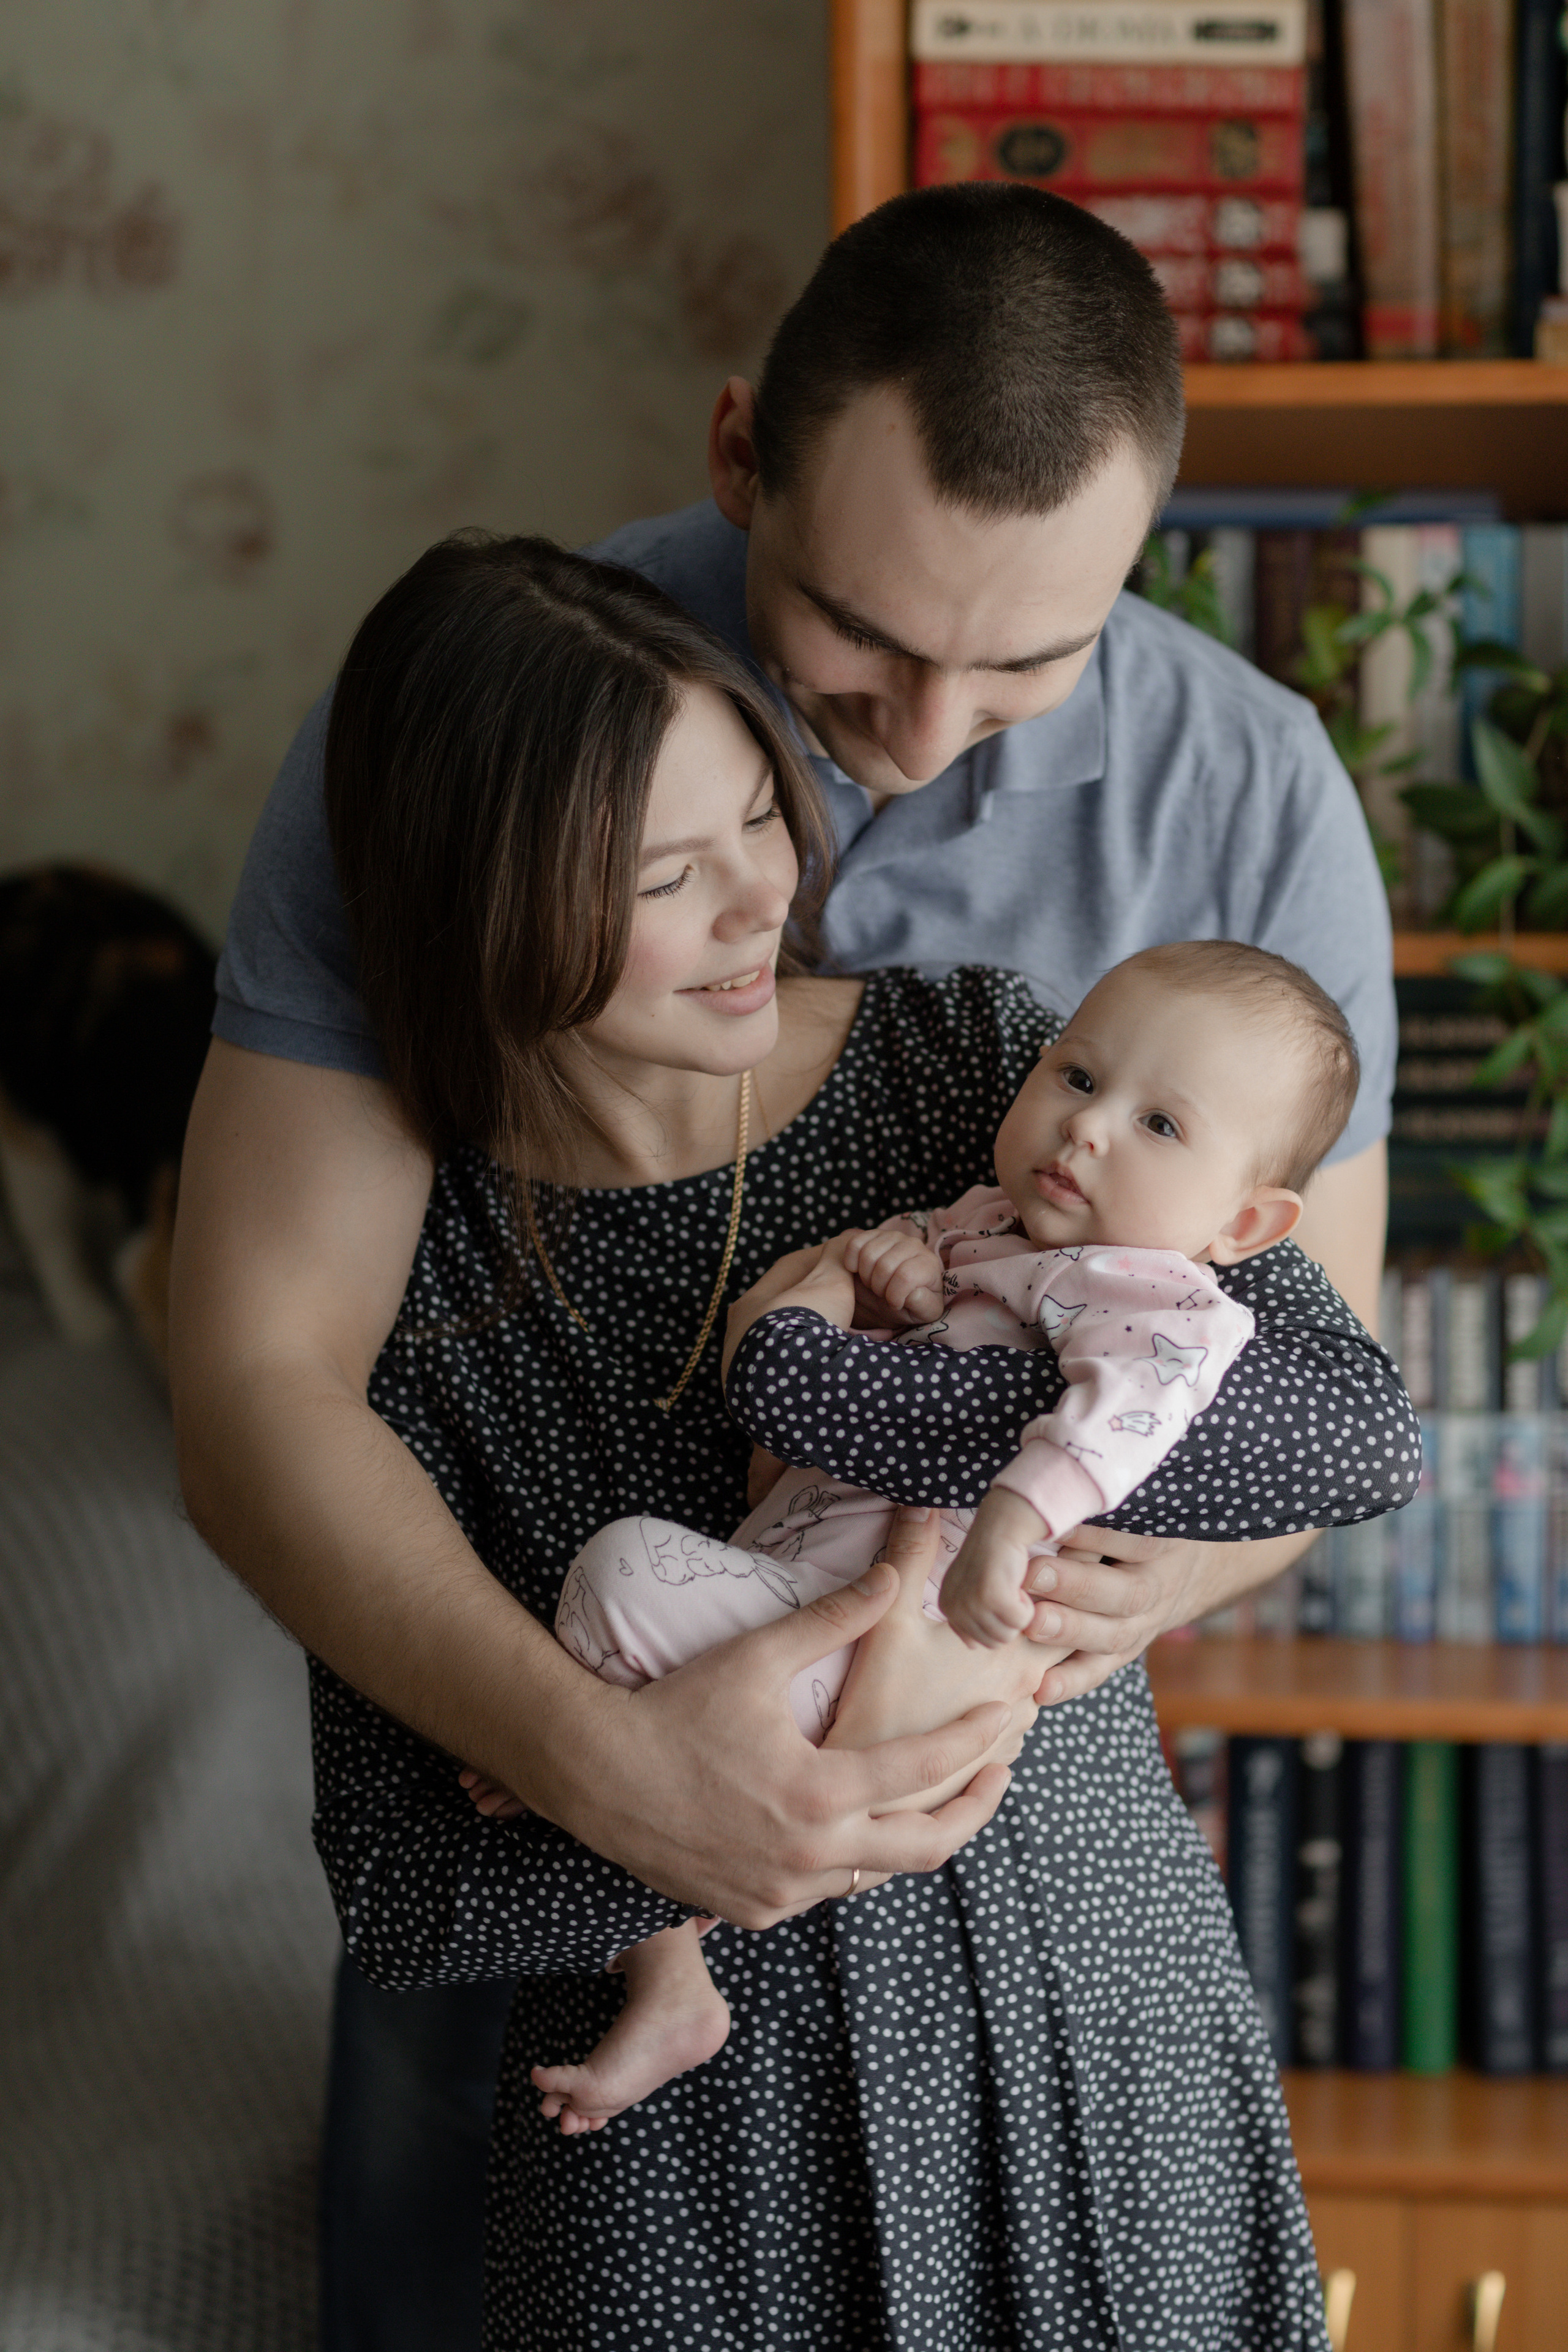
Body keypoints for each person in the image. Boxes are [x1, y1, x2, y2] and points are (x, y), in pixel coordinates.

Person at [168, 184, 1397, 2343]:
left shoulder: (1210, 831)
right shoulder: (484, 731)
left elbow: (1316, 1395)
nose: (918, 742)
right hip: (621, 2095)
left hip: (1048, 1940)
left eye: (1027, 659)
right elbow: (266, 1377)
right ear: (740, 458)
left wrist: (1026, 1596)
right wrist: (614, 1773)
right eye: (856, 646)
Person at [514, 942, 1410, 2139]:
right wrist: (879, 1284)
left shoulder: (1155, 1296)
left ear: (1244, 1219)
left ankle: (608, 1782)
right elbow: (848, 1386)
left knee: (616, 1573)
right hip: (805, 1568)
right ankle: (662, 1952)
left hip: (898, 1643)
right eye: (1077, 1077)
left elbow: (1120, 1415)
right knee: (623, 1652)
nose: (1085, 1130)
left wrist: (1014, 1517)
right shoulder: (988, 1228)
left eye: (1157, 1124)